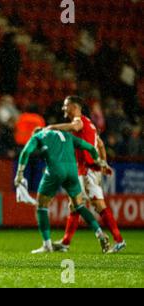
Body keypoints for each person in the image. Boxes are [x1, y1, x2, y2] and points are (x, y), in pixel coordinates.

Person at [47, 96, 125, 253]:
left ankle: (119, 240)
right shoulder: (89, 124)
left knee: (97, 205)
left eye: (65, 105)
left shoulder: (79, 121)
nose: (63, 108)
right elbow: (101, 144)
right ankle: (66, 243)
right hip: (86, 169)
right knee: (75, 205)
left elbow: (75, 127)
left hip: (88, 170)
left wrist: (52, 127)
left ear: (74, 107)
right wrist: (104, 162)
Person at [15, 128, 111, 254]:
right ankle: (100, 234)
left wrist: (19, 173)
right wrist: (99, 162)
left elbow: (25, 152)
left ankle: (47, 245)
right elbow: (91, 148)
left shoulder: (38, 136)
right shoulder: (67, 135)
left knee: (41, 205)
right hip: (72, 171)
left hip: (55, 170)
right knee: (79, 205)